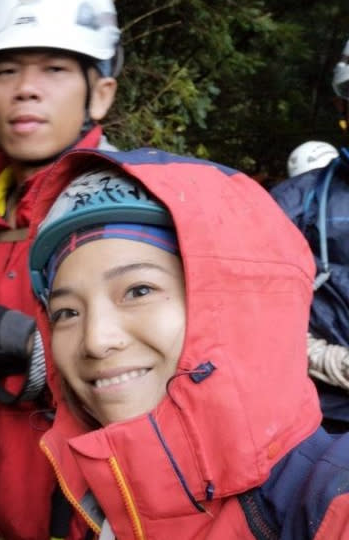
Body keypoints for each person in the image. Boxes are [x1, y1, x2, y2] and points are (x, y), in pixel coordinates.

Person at [26, 147, 349, 539]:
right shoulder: (97, 500)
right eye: (66, 313)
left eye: (138, 290)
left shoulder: (327, 501)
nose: (95, 340)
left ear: (239, 303)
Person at [0, 0, 122, 537]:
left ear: (99, 93)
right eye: (7, 69)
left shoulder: (127, 211)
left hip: (78, 513)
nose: (25, 88)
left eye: (54, 69)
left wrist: (33, 352)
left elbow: (173, 371)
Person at [271, 37, 349, 433]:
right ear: (342, 105)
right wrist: (315, 355)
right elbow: (248, 305)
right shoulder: (295, 202)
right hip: (322, 418)